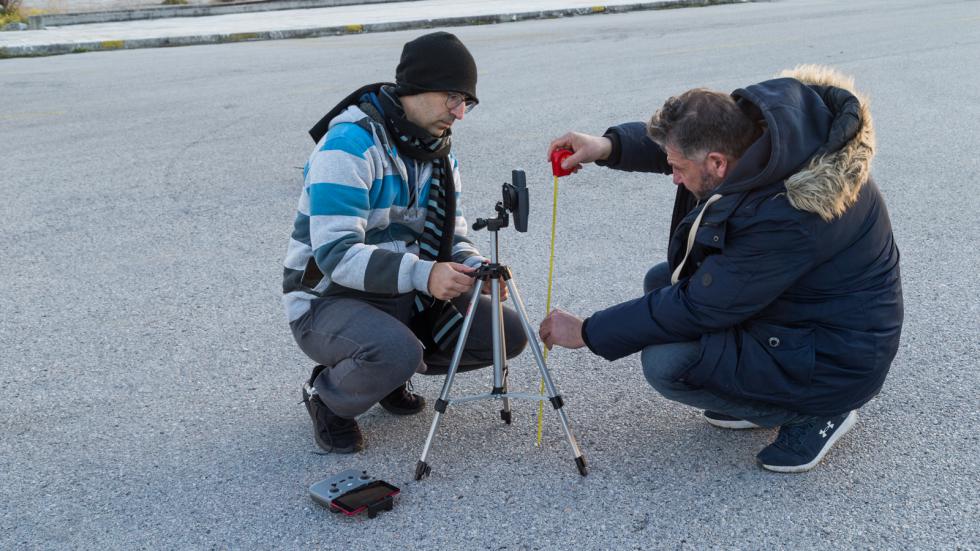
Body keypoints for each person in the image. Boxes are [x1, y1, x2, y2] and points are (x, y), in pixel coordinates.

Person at [540, 65, 903, 472]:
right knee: (661, 281)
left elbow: (700, 306)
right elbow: (684, 143)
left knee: (666, 362)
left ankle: (816, 413)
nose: (674, 177)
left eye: (678, 168)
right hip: (799, 317)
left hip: (836, 357)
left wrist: (589, 331)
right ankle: (761, 396)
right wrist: (608, 146)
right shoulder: (759, 136)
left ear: (717, 164)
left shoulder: (792, 215)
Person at [283, 32, 526, 454]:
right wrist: (424, 273)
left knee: (507, 334)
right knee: (395, 351)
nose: (461, 112)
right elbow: (335, 255)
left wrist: (474, 268)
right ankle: (328, 396)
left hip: (403, 294)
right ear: (416, 87)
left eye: (467, 101)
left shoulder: (439, 153)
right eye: (453, 97)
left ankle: (388, 370)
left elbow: (453, 232)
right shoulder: (347, 147)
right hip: (328, 300)